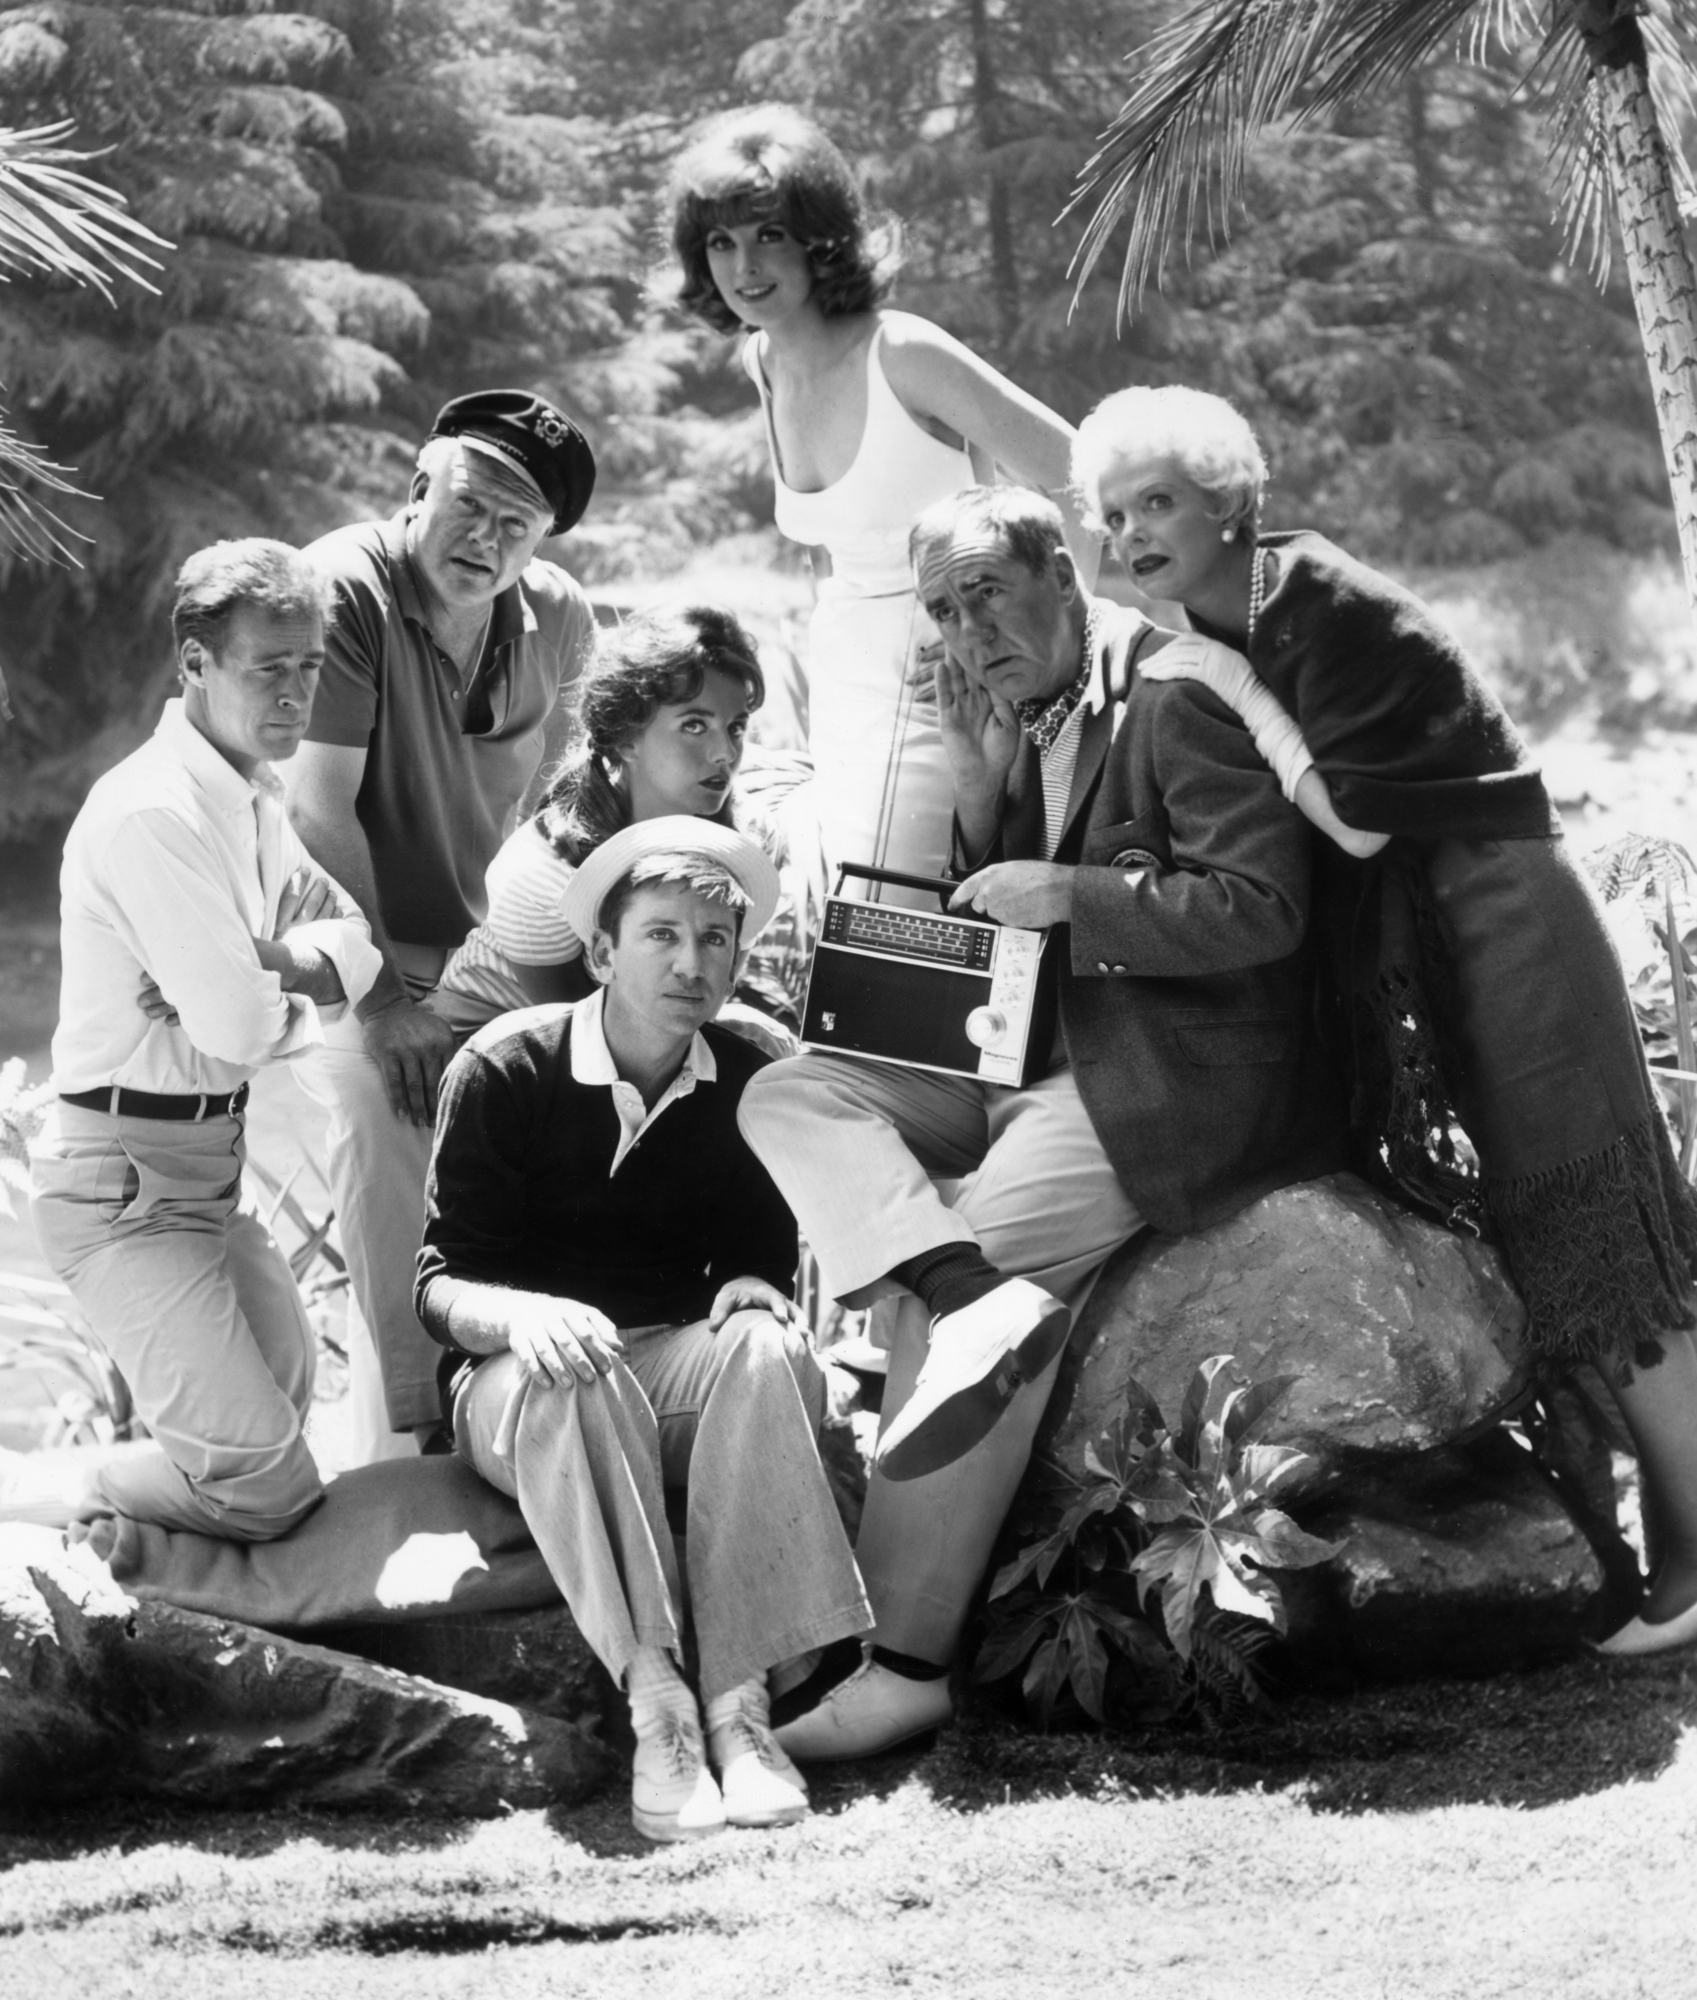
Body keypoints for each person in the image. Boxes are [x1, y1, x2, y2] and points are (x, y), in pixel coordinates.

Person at [1072, 383, 1697, 1657]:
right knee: (1564, 1239)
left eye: (1160, 503)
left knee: (1597, 1235)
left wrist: (1217, 683)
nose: (1132, 533)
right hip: (1449, 933)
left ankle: (1694, 1563)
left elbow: (1357, 821)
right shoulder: (1227, 608)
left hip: (1504, 920)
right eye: (1113, 511)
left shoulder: (1309, 600)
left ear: (1228, 502)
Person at [738, 486, 1346, 1757]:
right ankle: (956, 1278)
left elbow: (1262, 907)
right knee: (789, 1086)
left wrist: (1065, 886)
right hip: (1021, 1061)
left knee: (964, 1295)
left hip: (1154, 1080)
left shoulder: (1175, 694)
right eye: (944, 611)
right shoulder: (1023, 716)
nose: (967, 631)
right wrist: (980, 795)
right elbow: (1008, 922)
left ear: (1065, 580)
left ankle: (900, 1657)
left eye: (989, 594)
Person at [415, 819, 871, 1841]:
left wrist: (759, 1286)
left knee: (762, 1346)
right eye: (662, 933)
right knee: (574, 1365)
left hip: (665, 1361)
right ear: (602, 951)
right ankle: (657, 1699)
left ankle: (739, 1707)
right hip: (516, 1379)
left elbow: (760, 1248)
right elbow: (439, 1287)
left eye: (716, 938)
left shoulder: (755, 1062)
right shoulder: (505, 1066)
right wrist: (524, 1315)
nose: (691, 961)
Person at [29, 540, 382, 1540]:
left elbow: (352, 936)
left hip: (205, 1177)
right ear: (193, 664)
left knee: (287, 1423)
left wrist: (273, 958)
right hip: (124, 1189)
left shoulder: (255, 798)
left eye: (309, 665)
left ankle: (137, 1494)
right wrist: (295, 984)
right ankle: (41, 1496)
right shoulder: (156, 814)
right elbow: (233, 1032)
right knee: (266, 1491)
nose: (295, 691)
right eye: (268, 667)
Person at [668, 105, 1102, 896]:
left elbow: (1080, 474)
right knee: (848, 905)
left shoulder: (903, 351)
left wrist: (1055, 652)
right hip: (844, 684)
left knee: (914, 910)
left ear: (818, 235)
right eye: (720, 242)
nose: (744, 264)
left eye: (769, 233)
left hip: (954, 683)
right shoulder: (760, 361)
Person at [285, 390, 598, 1453]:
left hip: (490, 943)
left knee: (579, 1103)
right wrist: (383, 1001)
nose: (489, 539)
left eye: (519, 523)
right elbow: (311, 810)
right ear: (418, 486)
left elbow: (568, 806)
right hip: (340, 938)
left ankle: (541, 1417)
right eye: (471, 504)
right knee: (387, 1112)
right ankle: (416, 1440)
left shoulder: (556, 614)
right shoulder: (340, 589)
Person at [431, 604, 785, 1061]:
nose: (725, 753)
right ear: (625, 737)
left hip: (647, 1036)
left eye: (736, 727)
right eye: (694, 725)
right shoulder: (545, 871)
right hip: (499, 1044)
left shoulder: (749, 845)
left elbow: (707, 986)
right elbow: (582, 1038)